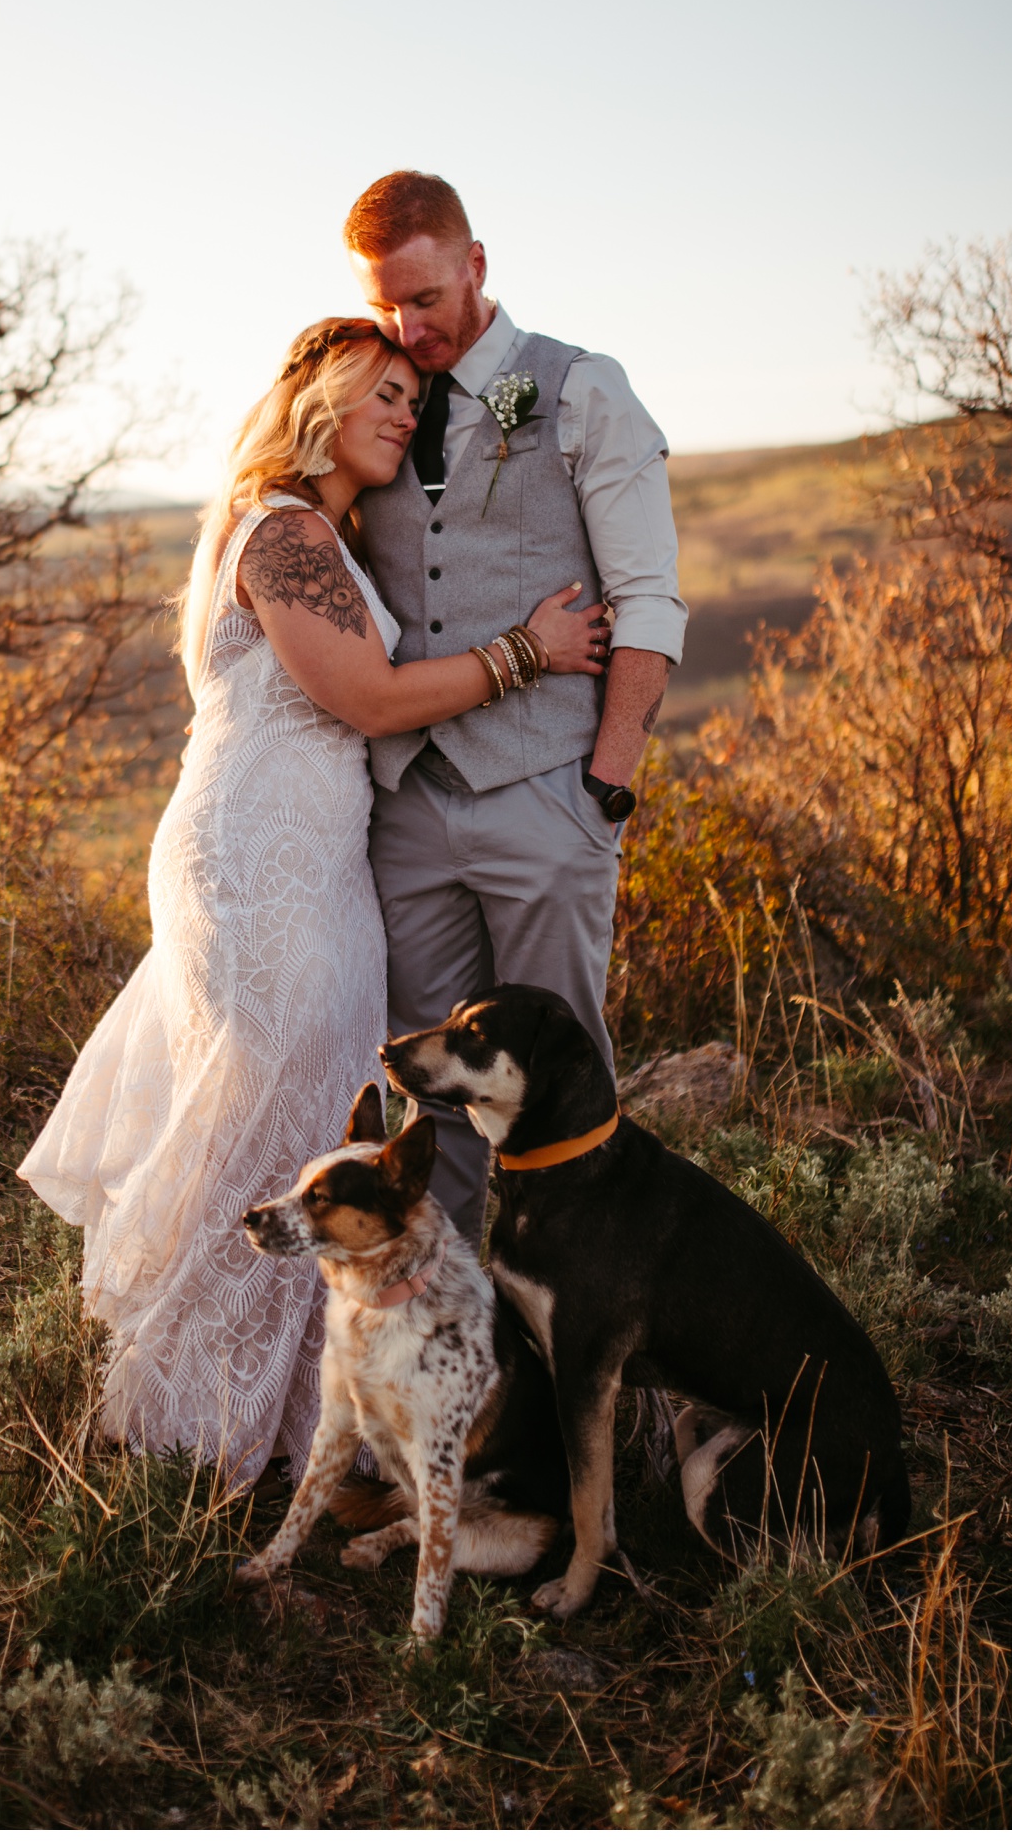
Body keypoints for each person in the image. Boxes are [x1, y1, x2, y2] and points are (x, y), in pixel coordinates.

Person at [17, 317, 609, 1488]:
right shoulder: (282, 529)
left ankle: (277, 1428)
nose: (406, 410)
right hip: (258, 862)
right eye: (384, 390)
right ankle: (182, 1432)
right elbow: (368, 693)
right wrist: (527, 653)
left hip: (318, 861)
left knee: (297, 1126)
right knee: (269, 1126)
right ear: (320, 395)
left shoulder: (319, 534)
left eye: (415, 396)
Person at [347, 170, 688, 1245]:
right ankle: (452, 1349)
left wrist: (606, 785)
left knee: (559, 1095)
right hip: (409, 804)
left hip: (548, 793)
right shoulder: (378, 401)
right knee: (427, 1096)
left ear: (476, 266)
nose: (409, 325)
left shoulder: (583, 388)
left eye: (427, 297)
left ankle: (581, 1351)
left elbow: (648, 602)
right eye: (387, 304)